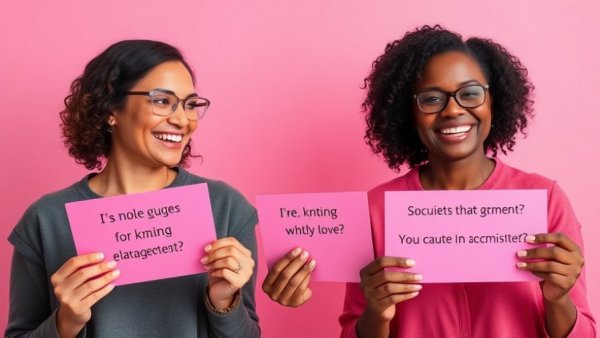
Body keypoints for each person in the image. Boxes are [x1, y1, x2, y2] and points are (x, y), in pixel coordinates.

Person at [338, 25, 596, 337]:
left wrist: (558, 298)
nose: (453, 110)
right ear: (409, 113)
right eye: (431, 99)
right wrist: (377, 313)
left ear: (493, 101)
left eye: (470, 94)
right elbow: (351, 330)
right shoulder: (374, 210)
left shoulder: (545, 197)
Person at [6, 40, 260, 338]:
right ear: (111, 108)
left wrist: (224, 302)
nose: (182, 120)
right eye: (162, 101)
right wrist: (67, 321)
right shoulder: (45, 220)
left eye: (190, 104)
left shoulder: (226, 208)